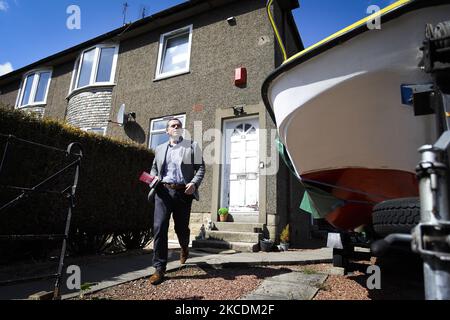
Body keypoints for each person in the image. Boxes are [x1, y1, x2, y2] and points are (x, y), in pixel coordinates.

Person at [148, 118, 205, 285]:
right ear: (167, 131)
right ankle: (159, 268)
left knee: (181, 228)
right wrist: (154, 177)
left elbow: (201, 167)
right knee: (159, 227)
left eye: (179, 125)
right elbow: (154, 168)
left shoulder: (192, 146)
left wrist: (194, 184)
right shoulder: (159, 149)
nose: (176, 127)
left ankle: (184, 247)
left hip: (183, 193)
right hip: (163, 191)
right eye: (173, 126)